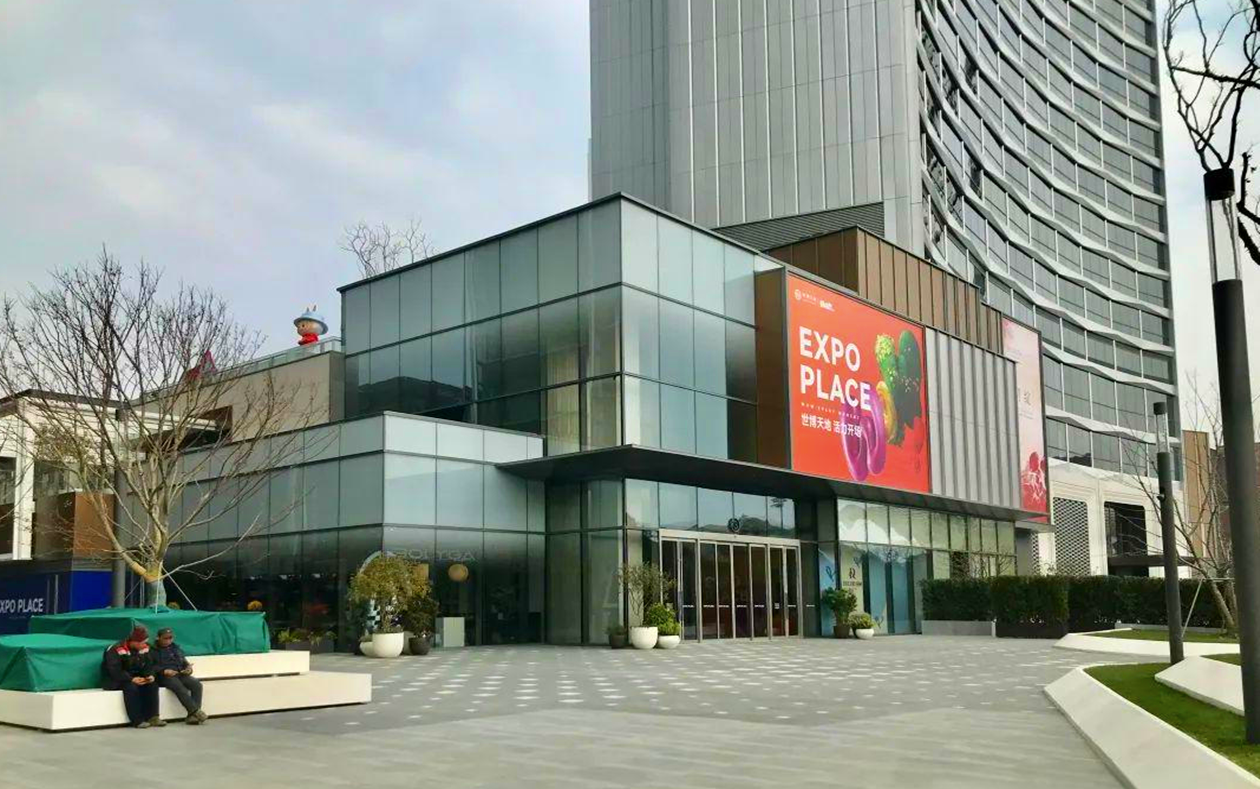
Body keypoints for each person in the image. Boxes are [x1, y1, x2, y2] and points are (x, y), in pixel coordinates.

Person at [101, 625, 163, 729]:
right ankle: (137, 720)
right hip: (115, 679)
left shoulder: (144, 648)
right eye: (142, 642)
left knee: (152, 685)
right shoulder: (115, 649)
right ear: (134, 642)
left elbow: (149, 665)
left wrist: (150, 675)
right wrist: (131, 679)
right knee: (131, 687)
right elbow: (114, 670)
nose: (145, 645)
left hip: (135, 677)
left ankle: (153, 717)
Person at [153, 627, 207, 725]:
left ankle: (192, 716)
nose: (168, 641)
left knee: (196, 684)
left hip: (179, 674)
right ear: (158, 638)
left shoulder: (176, 648)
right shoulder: (153, 650)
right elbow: (151, 666)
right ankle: (195, 711)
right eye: (165, 638)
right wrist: (164, 671)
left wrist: (188, 669)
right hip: (164, 676)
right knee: (178, 686)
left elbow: (184, 662)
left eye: (170, 638)